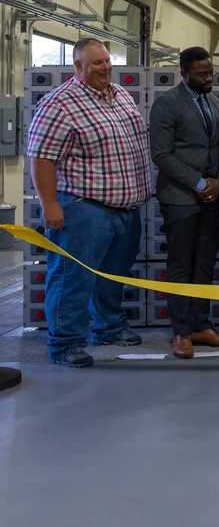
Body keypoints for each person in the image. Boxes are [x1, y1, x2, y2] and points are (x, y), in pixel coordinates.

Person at [27, 38, 151, 367]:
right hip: (83, 208)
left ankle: (109, 327)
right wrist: (50, 205)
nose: (105, 67)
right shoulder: (59, 104)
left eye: (107, 61)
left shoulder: (120, 95)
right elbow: (41, 159)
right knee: (71, 279)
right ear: (78, 66)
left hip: (125, 211)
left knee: (112, 275)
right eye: (96, 63)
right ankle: (65, 344)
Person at [149, 46, 219, 358]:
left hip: (212, 196)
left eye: (211, 72)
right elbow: (161, 154)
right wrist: (200, 183)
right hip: (181, 199)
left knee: (204, 264)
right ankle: (181, 332)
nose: (209, 77)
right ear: (184, 73)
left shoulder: (213, 101)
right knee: (180, 266)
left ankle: (201, 326)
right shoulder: (166, 104)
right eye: (202, 74)